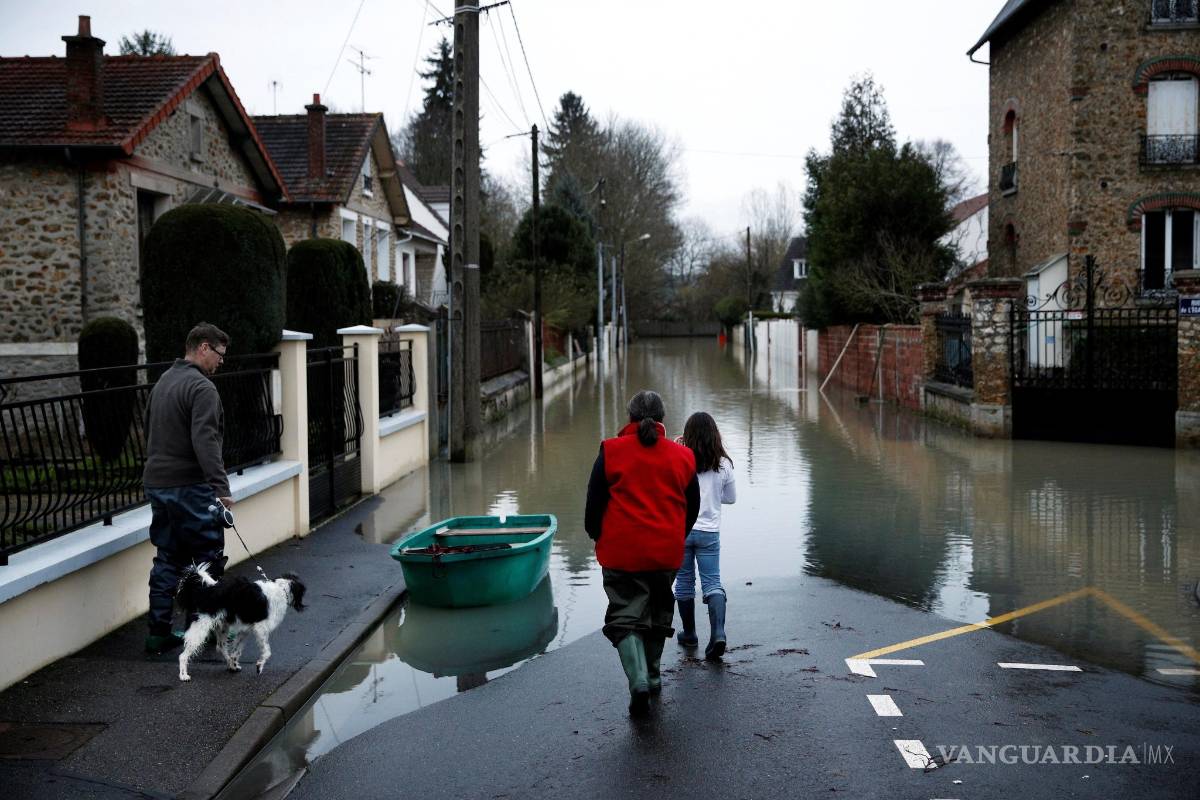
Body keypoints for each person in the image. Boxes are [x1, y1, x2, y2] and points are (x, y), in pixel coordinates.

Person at [585, 390, 700, 717]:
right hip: (665, 551)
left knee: (625, 616)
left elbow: (594, 505)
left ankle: (638, 680)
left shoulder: (611, 451)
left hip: (621, 551)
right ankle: (652, 674)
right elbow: (692, 507)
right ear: (662, 419)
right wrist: (676, 536)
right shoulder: (683, 457)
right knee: (658, 613)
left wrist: (598, 535)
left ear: (630, 418)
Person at [142, 323, 233, 655]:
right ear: (204, 348)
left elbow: (148, 429)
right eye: (220, 354)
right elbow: (205, 441)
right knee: (206, 558)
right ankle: (203, 632)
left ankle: (157, 633)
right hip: (190, 488)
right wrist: (220, 488)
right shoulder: (201, 388)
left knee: (168, 558)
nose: (221, 362)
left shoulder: (163, 382)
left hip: (157, 483)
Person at [673, 412, 736, 660]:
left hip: (683, 530)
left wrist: (677, 446)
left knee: (685, 582)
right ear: (715, 435)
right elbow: (731, 498)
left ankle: (689, 634)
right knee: (712, 582)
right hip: (709, 532)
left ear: (687, 436)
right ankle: (718, 633)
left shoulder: (680, 459)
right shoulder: (723, 464)